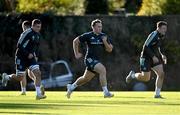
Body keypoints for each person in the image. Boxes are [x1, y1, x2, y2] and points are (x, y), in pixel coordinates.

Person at [66, 19, 114, 98]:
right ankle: (106, 92)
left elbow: (109, 49)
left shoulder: (104, 36)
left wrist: (105, 41)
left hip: (97, 60)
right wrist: (76, 53)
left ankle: (71, 87)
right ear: (93, 27)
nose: (100, 28)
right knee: (102, 70)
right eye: (98, 27)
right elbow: (75, 41)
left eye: (101, 27)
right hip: (89, 59)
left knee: (85, 78)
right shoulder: (88, 35)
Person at [1, 19, 46, 100]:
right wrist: (27, 53)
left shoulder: (38, 35)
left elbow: (37, 47)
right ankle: (7, 77)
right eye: (37, 27)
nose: (39, 28)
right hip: (21, 57)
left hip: (31, 59)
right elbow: (19, 45)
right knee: (20, 78)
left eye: (40, 27)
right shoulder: (27, 33)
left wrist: (36, 56)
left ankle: (38, 94)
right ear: (33, 26)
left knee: (38, 73)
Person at [126, 21, 167, 98]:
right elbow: (145, 47)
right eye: (163, 28)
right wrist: (153, 56)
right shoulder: (154, 34)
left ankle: (157, 94)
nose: (165, 30)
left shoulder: (161, 35)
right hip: (146, 58)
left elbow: (160, 47)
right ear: (158, 28)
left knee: (161, 74)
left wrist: (163, 55)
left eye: (165, 28)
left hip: (154, 58)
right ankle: (133, 75)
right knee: (146, 78)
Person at [20, 20, 44, 95]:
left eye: (24, 27)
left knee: (25, 74)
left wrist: (34, 55)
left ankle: (24, 91)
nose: (24, 29)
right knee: (30, 74)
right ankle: (38, 87)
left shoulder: (31, 34)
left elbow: (35, 46)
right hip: (28, 56)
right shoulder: (29, 34)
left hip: (28, 57)